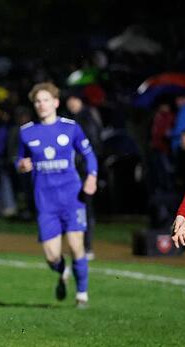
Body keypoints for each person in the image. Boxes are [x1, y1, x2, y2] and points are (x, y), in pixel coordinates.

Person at [17, 82, 98, 308]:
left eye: (45, 100)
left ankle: (82, 294)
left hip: (72, 198)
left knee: (76, 246)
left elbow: (89, 155)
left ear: (55, 102)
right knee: (52, 257)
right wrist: (22, 166)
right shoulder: (27, 132)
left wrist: (91, 177)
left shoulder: (71, 128)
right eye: (37, 101)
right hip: (45, 202)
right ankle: (63, 271)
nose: (41, 105)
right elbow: (19, 160)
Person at [66, 94, 102, 259]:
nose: (71, 103)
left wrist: (89, 171)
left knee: (85, 207)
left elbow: (92, 146)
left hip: (83, 171)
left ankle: (87, 247)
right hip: (75, 170)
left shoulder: (86, 118)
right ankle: (79, 245)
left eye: (74, 99)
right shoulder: (74, 118)